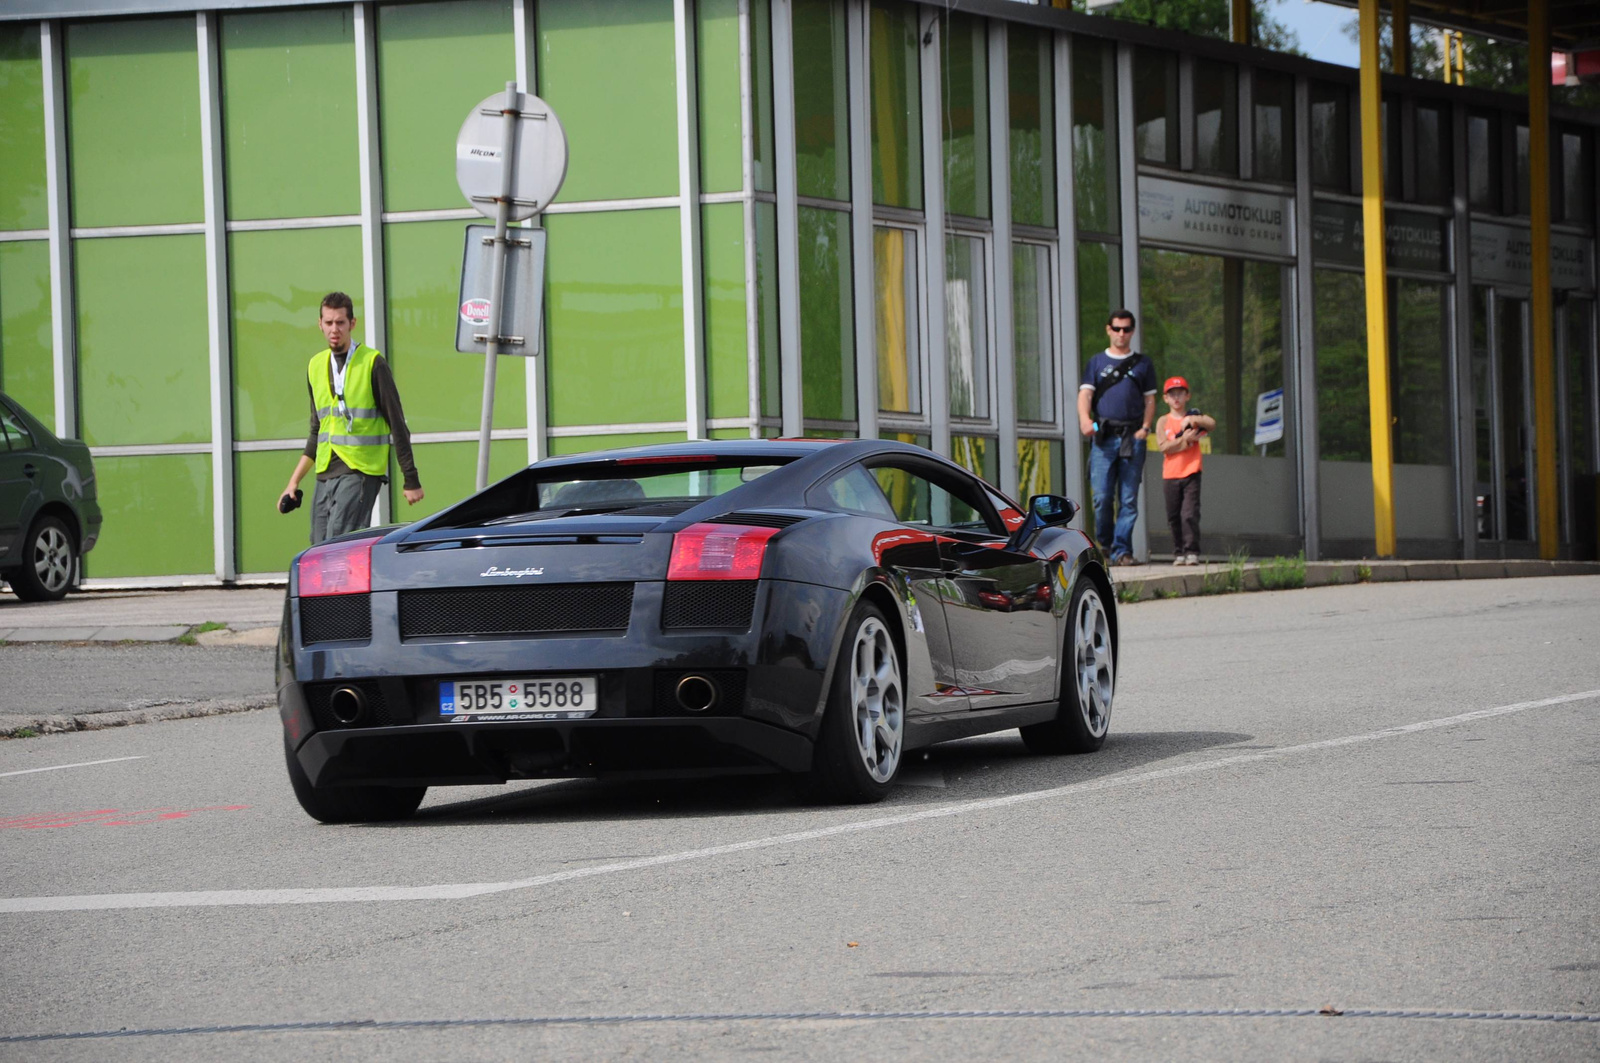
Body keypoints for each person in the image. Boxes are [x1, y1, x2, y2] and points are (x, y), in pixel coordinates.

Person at [279, 292, 423, 544]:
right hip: (325, 472)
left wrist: (410, 479)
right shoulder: (315, 366)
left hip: (360, 470)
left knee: (340, 546)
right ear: (320, 324)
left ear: (352, 324)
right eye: (329, 322)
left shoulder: (372, 363)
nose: (334, 329)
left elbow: (398, 425)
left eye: (340, 323)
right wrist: (293, 482)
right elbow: (317, 430)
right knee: (318, 547)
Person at [1077, 309, 1157, 566]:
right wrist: (1085, 420)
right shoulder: (1097, 362)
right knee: (1101, 497)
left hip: (1132, 437)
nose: (1121, 334)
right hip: (1103, 436)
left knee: (1129, 498)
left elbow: (1150, 399)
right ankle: (1106, 545)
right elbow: (1085, 395)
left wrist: (1145, 428)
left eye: (1126, 329)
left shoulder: (1143, 363)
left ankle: (1123, 551)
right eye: (1117, 328)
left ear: (1132, 332)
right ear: (1109, 330)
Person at [1154, 376, 1214, 566]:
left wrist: (1191, 419)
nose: (1176, 398)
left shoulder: (1194, 418)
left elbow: (1211, 424)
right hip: (1170, 474)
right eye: (1172, 395)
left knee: (1189, 513)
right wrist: (1185, 440)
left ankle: (1191, 551)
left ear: (1187, 396)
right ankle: (1178, 551)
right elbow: (1164, 446)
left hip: (1191, 471)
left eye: (1180, 393)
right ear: (1166, 398)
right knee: (1173, 516)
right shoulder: (1163, 421)